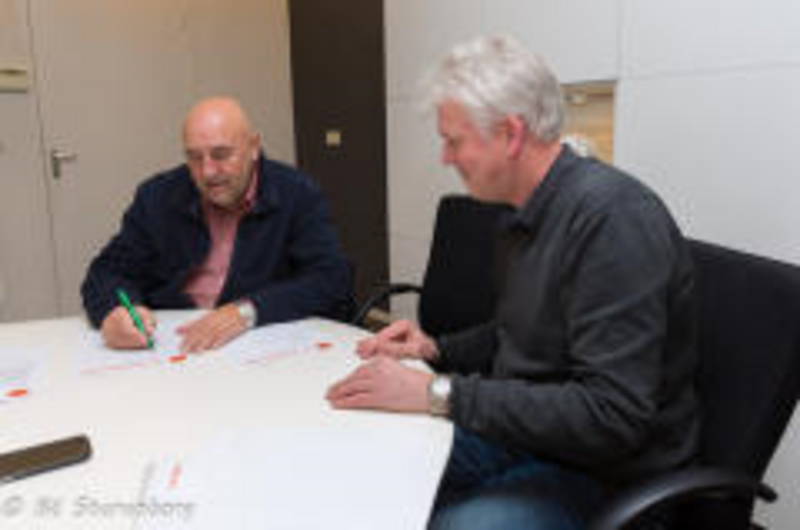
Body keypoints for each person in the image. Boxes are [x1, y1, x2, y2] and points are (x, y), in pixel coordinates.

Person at [326, 36, 699, 530]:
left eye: (454, 141)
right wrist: (435, 348)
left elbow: (611, 415)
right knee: (367, 456)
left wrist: (438, 392)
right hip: (531, 436)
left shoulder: (614, 219)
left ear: (510, 133)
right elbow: (519, 331)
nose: (445, 158)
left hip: (606, 473)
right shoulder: (523, 214)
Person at [82, 97, 353, 353]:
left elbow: (331, 279)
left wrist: (248, 311)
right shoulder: (158, 196)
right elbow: (107, 272)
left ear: (254, 147)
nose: (208, 172)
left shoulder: (296, 193)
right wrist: (114, 310)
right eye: (194, 157)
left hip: (262, 342)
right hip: (171, 343)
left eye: (221, 154)